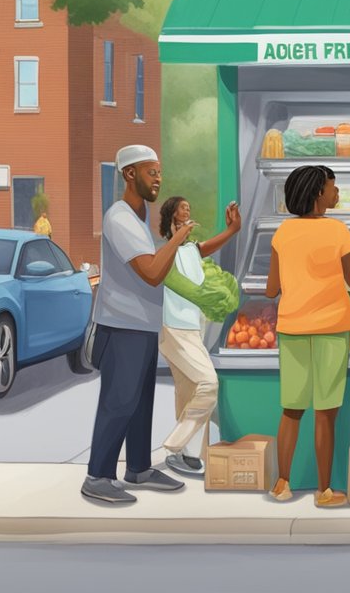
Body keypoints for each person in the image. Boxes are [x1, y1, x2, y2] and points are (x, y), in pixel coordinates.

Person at [81, 145, 189, 505]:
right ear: (129, 174)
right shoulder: (120, 217)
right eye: (150, 171)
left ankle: (139, 468)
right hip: (120, 326)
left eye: (159, 171)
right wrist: (176, 239)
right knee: (119, 401)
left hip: (141, 325)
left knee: (141, 401)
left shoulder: (139, 216)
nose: (158, 178)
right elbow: (153, 273)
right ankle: (97, 476)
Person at [266, 165, 350, 508]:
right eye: (333, 188)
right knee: (325, 412)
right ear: (318, 193)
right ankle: (323, 491)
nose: (337, 193)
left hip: (292, 328)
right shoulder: (338, 231)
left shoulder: (282, 233)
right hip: (332, 330)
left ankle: (282, 483)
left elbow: (271, 288)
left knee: (291, 409)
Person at [156, 197, 242, 477]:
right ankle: (175, 444)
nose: (188, 210)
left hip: (193, 328)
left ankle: (190, 456)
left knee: (188, 392)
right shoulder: (164, 254)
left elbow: (206, 247)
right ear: (172, 217)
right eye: (183, 208)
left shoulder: (192, 249)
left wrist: (232, 230)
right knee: (208, 385)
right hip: (175, 329)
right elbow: (180, 282)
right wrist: (178, 236)